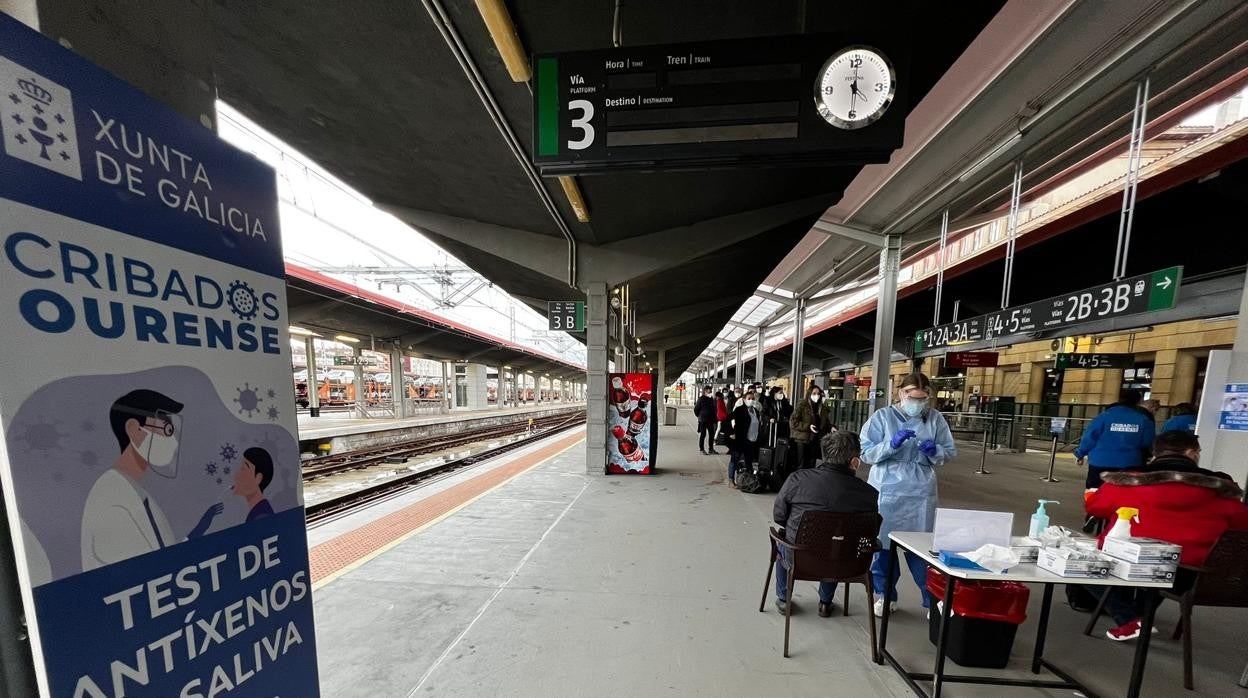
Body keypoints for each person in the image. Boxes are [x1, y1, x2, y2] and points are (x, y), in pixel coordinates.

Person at [1084, 431, 1248, 641]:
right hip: (1193, 577)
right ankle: (1138, 616)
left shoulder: (1126, 481)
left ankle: (1129, 618)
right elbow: (1242, 524)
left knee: (1084, 565)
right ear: (1191, 453)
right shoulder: (1221, 490)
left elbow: (1094, 507)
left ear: (1155, 453)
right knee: (1168, 565)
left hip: (1131, 566)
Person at [81, 390, 222, 571]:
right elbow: (151, 571)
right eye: (166, 430)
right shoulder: (111, 497)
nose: (173, 442)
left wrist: (196, 534)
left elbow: (162, 556)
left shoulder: (135, 492)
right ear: (134, 429)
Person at [860, 373, 956, 617]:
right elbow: (865, 453)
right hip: (887, 487)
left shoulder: (935, 419)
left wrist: (934, 451)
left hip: (920, 490)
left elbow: (948, 452)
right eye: (913, 397)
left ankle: (932, 600)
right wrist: (890, 445)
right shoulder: (882, 417)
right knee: (883, 548)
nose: (918, 403)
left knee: (921, 550)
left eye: (923, 399)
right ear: (901, 393)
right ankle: (885, 595)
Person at [772, 431, 879, 616]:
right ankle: (825, 603)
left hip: (799, 559)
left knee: (783, 541)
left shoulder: (798, 479)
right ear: (855, 462)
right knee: (837, 543)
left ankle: (783, 599)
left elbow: (779, 516)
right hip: (849, 563)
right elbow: (871, 532)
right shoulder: (869, 494)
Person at [1074, 389, 1156, 490]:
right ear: (1138, 402)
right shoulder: (1144, 420)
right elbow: (1147, 442)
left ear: (1119, 399)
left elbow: (1089, 438)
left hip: (1100, 462)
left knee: (1095, 492)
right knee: (1125, 494)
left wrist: (1080, 454)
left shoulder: (1103, 417)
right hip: (1130, 463)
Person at [728, 389, 762, 487]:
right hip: (740, 439)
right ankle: (731, 480)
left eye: (752, 398)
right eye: (749, 398)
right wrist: (731, 432)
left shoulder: (755, 411)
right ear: (744, 399)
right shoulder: (739, 410)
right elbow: (726, 420)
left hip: (751, 440)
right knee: (735, 459)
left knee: (748, 460)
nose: (751, 400)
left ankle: (748, 480)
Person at [790, 385, 829, 469]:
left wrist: (831, 427)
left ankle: (808, 480)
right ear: (809, 394)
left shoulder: (821, 408)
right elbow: (793, 422)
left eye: (818, 394)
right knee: (802, 464)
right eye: (814, 393)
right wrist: (808, 426)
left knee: (812, 463)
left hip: (815, 439)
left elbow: (825, 422)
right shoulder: (802, 405)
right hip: (802, 439)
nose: (816, 396)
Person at [233, 447, 276, 522]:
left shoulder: (260, 517)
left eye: (243, 469)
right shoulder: (257, 511)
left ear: (258, 478)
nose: (237, 475)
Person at [694, 386, 719, 455]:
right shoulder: (701, 399)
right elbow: (696, 409)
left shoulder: (711, 399)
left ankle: (711, 449)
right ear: (705, 391)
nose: (710, 392)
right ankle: (701, 449)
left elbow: (714, 409)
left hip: (710, 420)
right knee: (703, 434)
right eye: (709, 391)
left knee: (711, 434)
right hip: (703, 420)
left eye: (711, 391)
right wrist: (700, 416)